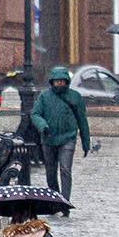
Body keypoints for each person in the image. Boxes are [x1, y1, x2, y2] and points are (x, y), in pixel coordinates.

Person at [31, 66, 91, 208]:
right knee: (51, 171)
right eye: (56, 81)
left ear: (66, 81)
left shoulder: (74, 97)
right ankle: (54, 198)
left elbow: (82, 121)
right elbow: (35, 114)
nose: (59, 84)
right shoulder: (44, 96)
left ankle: (65, 201)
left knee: (65, 169)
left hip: (67, 138)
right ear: (52, 81)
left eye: (62, 81)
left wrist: (86, 142)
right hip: (48, 138)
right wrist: (43, 126)